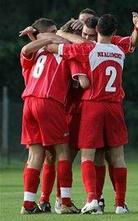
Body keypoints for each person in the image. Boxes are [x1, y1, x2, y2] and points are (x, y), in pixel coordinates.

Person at [47, 13, 138, 215]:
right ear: (115, 33)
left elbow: (53, 47)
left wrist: (61, 33)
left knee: (87, 155)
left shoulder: (88, 48)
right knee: (118, 156)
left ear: (96, 30)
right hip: (115, 106)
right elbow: (133, 42)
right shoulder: (119, 50)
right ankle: (120, 204)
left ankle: (92, 200)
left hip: (93, 104)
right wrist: (137, 28)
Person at [19, 18, 88, 214]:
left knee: (35, 155)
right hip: (49, 101)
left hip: (29, 103)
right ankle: (65, 202)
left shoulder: (36, 51)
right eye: (53, 31)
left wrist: (37, 36)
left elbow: (26, 51)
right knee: (63, 152)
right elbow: (82, 77)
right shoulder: (66, 53)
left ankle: (28, 204)